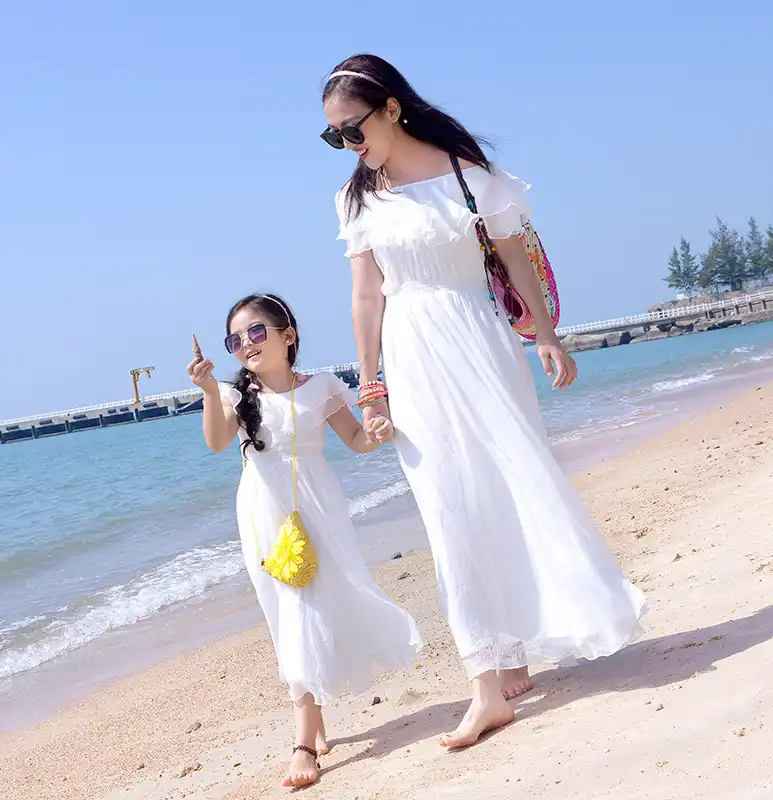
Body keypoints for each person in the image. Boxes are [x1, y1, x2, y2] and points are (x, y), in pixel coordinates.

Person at [321, 55, 646, 749]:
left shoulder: (465, 169)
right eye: (333, 139)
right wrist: (371, 385)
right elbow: (366, 297)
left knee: (513, 482)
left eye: (351, 130)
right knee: (447, 507)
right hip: (411, 356)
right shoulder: (358, 199)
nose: (347, 147)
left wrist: (548, 336)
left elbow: (515, 254)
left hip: (481, 340)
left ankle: (520, 642)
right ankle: (485, 681)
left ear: (390, 108)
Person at [188, 293, 422, 788]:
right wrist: (210, 390)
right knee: (285, 615)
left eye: (256, 332)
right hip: (261, 515)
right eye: (235, 338)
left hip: (318, 511)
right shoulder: (235, 397)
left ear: (287, 335)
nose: (245, 344)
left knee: (310, 610)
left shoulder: (323, 388)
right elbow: (215, 443)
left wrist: (380, 429)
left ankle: (303, 738)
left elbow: (357, 441)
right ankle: (310, 726)